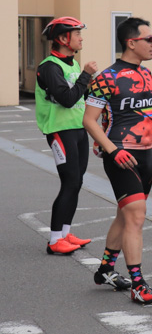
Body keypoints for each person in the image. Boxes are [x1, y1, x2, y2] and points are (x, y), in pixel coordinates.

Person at [83, 17, 152, 305]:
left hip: (146, 155)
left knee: (126, 215)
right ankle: (138, 283)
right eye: (148, 39)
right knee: (137, 215)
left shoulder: (147, 75)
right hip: (120, 156)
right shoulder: (106, 77)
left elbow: (151, 115)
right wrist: (112, 150)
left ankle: (104, 269)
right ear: (131, 42)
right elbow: (89, 121)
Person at [35, 16, 98, 255]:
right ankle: (54, 241)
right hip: (60, 130)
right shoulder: (49, 67)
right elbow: (68, 98)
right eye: (76, 34)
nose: (81, 38)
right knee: (70, 182)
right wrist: (86, 76)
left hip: (78, 129)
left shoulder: (70, 63)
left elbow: (81, 95)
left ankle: (65, 233)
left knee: (77, 182)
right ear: (63, 39)